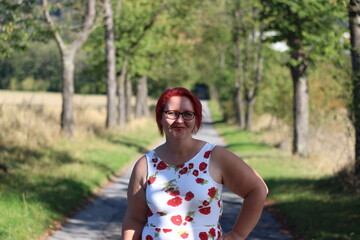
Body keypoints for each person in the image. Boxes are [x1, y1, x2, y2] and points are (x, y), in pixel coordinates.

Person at [121, 87, 268, 240]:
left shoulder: (215, 157)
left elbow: (257, 189)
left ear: (196, 119)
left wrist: (238, 234)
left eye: (187, 114)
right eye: (171, 113)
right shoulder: (146, 165)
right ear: (160, 117)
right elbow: (134, 220)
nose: (179, 120)